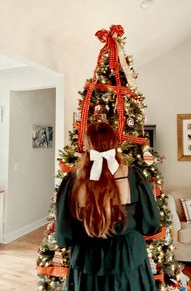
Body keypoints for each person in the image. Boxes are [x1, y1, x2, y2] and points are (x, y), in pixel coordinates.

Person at [56, 122, 160, 291]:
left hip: (88, 262)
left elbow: (63, 234)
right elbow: (151, 225)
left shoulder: (72, 182)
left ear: (86, 146)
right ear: (115, 144)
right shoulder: (134, 177)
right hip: (128, 260)